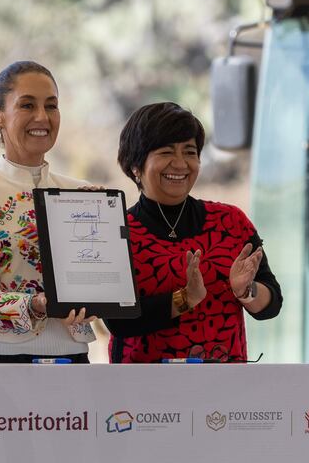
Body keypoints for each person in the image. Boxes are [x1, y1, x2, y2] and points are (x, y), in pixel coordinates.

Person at [106, 102, 282, 363]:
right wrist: (185, 299)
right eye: (166, 152)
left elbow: (271, 304)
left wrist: (246, 291)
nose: (180, 164)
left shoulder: (231, 222)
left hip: (224, 381)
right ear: (135, 165)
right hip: (142, 383)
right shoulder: (116, 230)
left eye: (189, 152)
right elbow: (118, 321)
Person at [0, 61, 97, 363]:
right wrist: (36, 304)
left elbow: (99, 284)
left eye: (51, 106)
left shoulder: (83, 194)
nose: (42, 117)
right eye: (27, 105)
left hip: (72, 359)